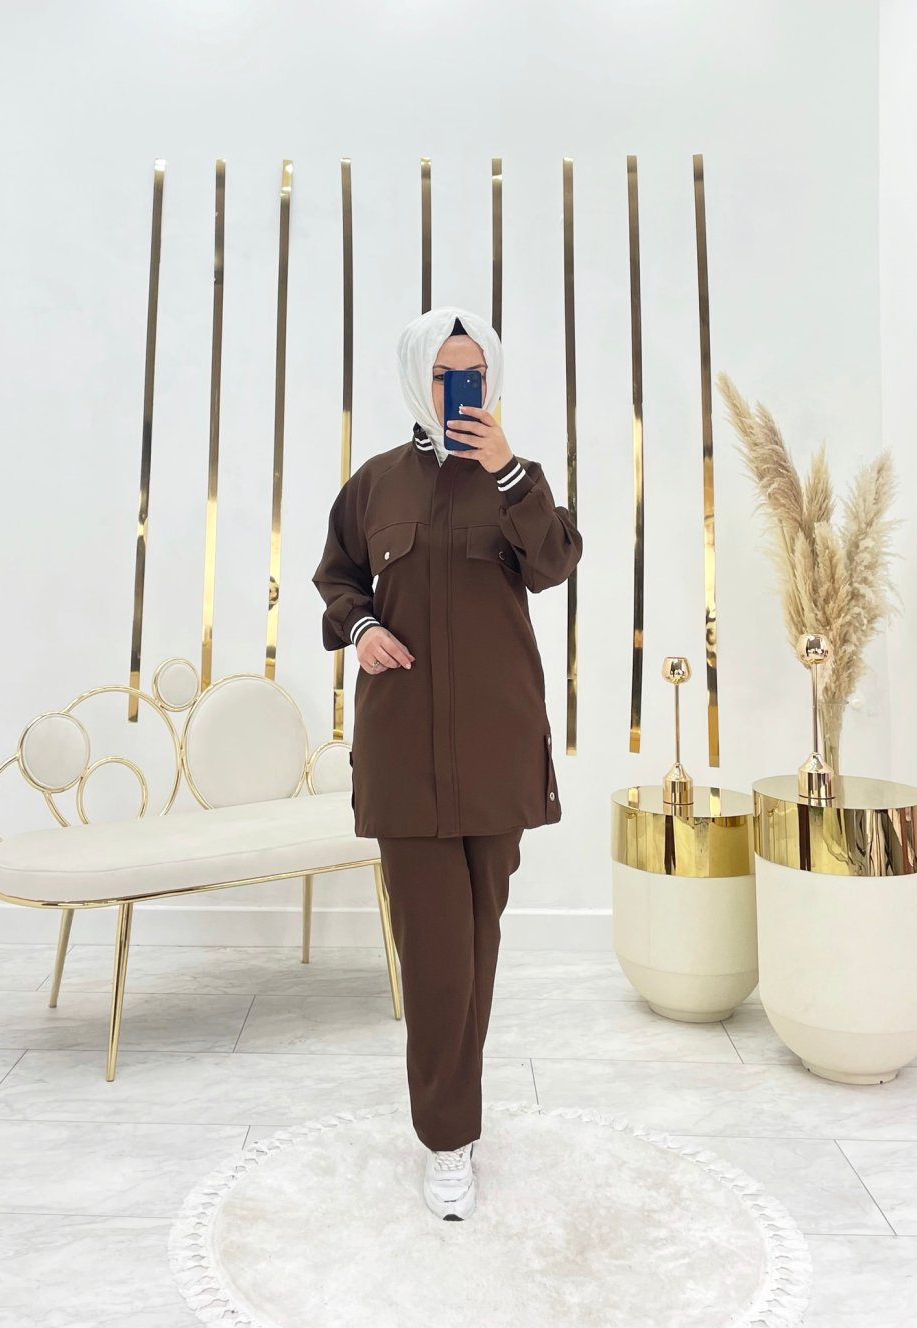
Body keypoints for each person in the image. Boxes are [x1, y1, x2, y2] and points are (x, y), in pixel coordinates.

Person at [311, 305, 583, 1220]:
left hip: (496, 745)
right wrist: (360, 626)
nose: (460, 387)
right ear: (416, 378)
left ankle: (454, 1113)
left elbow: (554, 564)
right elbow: (336, 575)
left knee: (477, 941)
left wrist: (508, 470)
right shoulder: (375, 484)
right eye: (443, 371)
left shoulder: (519, 482)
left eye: (473, 372)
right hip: (404, 748)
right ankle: (448, 1139)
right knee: (435, 955)